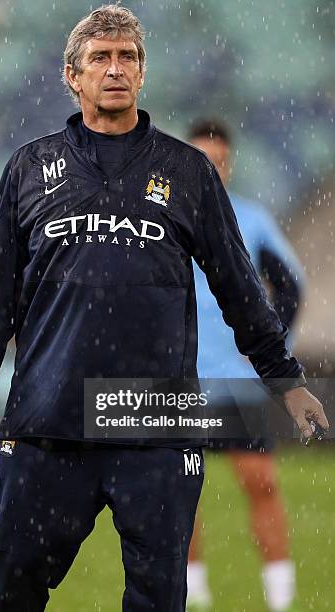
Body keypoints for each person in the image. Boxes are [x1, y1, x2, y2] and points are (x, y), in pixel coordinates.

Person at [0, 6, 328, 612]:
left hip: (154, 415)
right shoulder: (29, 169)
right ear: (72, 74)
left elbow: (241, 289)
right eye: (101, 58)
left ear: (142, 72)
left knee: (158, 594)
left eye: (128, 57)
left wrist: (285, 380)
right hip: (51, 413)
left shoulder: (188, 172)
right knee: (12, 585)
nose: (115, 69)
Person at [186, 120, 306, 612]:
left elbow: (290, 288)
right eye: (201, 161)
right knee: (180, 488)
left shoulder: (250, 220)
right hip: (179, 378)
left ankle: (281, 594)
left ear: (229, 165)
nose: (211, 170)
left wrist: (265, 347)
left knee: (260, 481)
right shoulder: (163, 218)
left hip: (237, 381)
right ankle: (192, 593)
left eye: (218, 161)